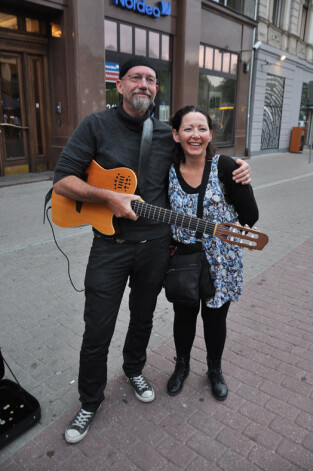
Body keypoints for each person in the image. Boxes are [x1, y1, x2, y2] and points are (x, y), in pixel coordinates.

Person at [53, 57, 251, 444]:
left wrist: (240, 169)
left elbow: (202, 159)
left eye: (150, 79)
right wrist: (108, 196)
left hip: (156, 246)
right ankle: (90, 401)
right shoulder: (96, 125)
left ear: (156, 90)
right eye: (135, 78)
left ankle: (134, 367)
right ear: (120, 84)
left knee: (143, 319)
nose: (143, 84)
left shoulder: (166, 134)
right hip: (109, 246)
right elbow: (63, 181)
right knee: (98, 328)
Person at [166, 105, 259, 401]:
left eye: (201, 128)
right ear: (176, 134)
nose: (195, 135)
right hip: (183, 258)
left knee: (215, 319)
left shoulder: (226, 167)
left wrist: (244, 177)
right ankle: (181, 367)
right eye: (188, 129)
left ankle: (214, 369)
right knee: (183, 317)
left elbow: (250, 216)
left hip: (222, 260)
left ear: (210, 134)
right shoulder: (167, 170)